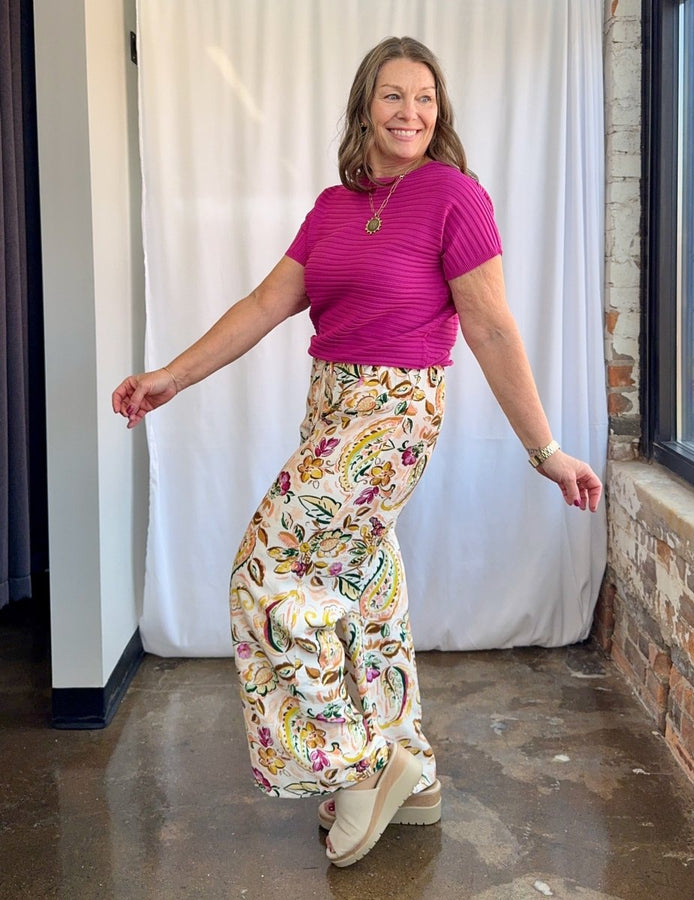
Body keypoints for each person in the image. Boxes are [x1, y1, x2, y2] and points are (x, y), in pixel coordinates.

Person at [112, 35, 603, 868]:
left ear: (438, 113)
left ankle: (356, 767)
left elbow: (489, 326)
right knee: (365, 597)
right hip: (330, 405)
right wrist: (173, 376)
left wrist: (546, 449)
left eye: (423, 98)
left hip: (391, 415)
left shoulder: (454, 197)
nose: (409, 112)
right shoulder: (336, 205)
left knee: (264, 572)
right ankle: (411, 777)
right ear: (364, 107)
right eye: (392, 96)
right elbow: (267, 302)